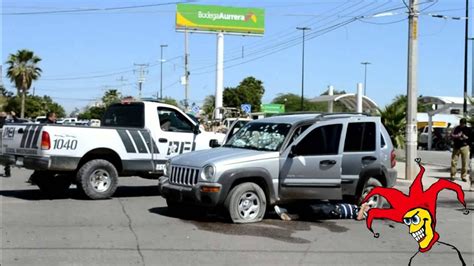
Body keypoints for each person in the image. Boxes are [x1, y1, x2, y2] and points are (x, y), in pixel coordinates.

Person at [274, 201, 372, 221]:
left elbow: (359, 218)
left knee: (313, 209)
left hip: (334, 211)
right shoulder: (357, 207)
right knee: (311, 210)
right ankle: (291, 216)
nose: (368, 206)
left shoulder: (365, 214)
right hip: (333, 207)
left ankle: (286, 211)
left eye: (369, 206)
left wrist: (363, 207)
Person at [0, 112, 11, 177]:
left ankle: (7, 171)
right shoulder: (8, 123)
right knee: (6, 157)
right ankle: (7, 172)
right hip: (5, 142)